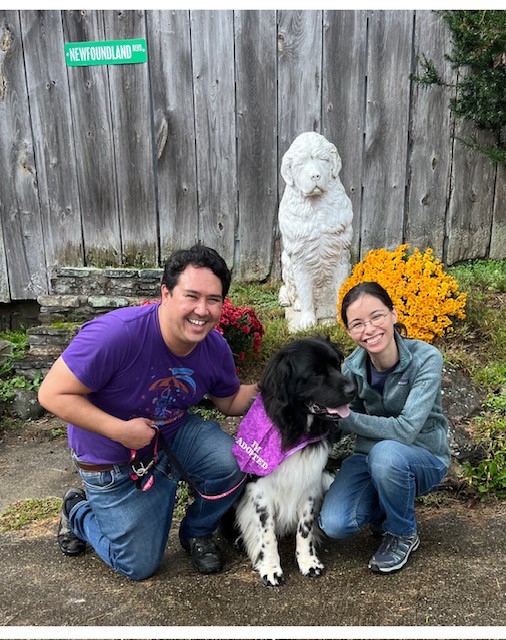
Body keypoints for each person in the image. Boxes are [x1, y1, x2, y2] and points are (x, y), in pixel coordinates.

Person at [38, 244, 258, 581]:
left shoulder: (214, 347)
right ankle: (78, 511)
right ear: (166, 293)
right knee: (138, 566)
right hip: (112, 461)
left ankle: (198, 531)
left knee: (231, 461)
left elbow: (229, 403)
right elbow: (51, 394)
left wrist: (279, 383)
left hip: (171, 439)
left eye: (213, 299)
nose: (202, 310)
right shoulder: (116, 335)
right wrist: (119, 430)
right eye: (191, 296)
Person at [318, 281, 450, 574]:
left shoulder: (426, 358)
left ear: (394, 314)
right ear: (350, 332)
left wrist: (346, 418)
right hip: (368, 459)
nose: (369, 329)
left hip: (422, 457)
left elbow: (406, 430)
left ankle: (403, 533)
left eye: (377, 316)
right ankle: (389, 505)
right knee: (335, 524)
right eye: (358, 323)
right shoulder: (349, 370)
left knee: (387, 454)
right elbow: (333, 420)